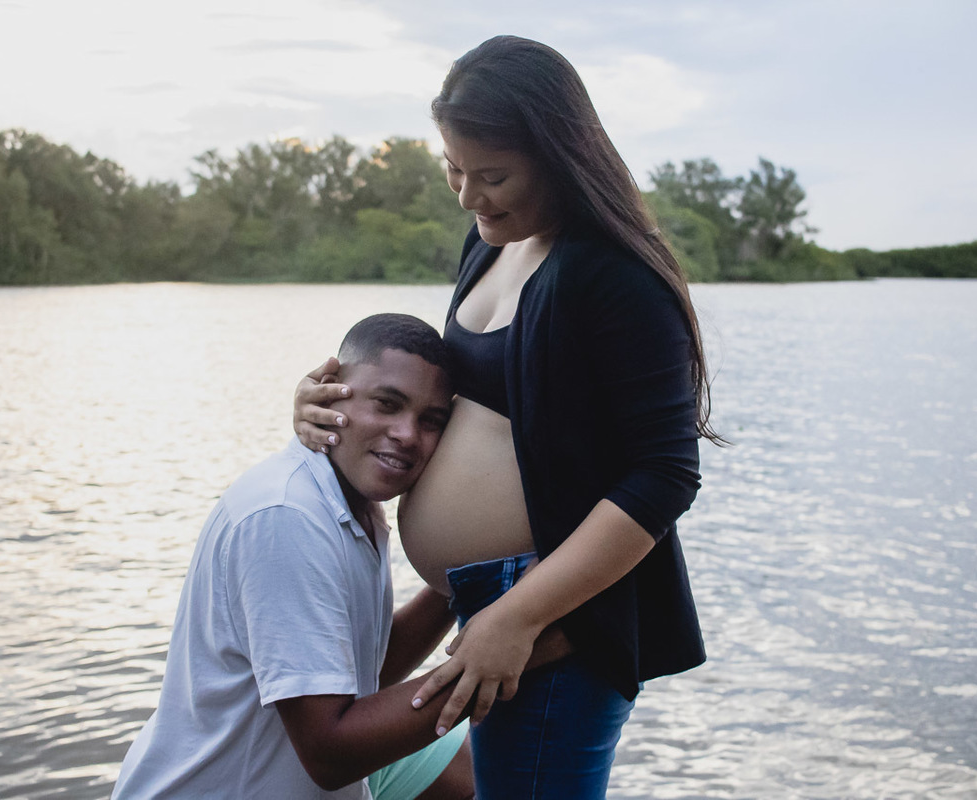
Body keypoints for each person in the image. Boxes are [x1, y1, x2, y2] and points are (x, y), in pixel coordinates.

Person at [294, 36, 722, 799]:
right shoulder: (491, 244)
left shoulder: (614, 275)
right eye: (453, 170)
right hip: (490, 610)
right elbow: (446, 395)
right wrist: (329, 400)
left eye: (492, 176)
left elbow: (664, 475)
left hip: (554, 626)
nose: (467, 196)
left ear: (560, 156)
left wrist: (516, 617)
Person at [114, 314, 476, 800]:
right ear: (330, 391)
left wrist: (470, 578)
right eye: (387, 404)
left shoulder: (354, 502)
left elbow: (360, 673)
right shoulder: (287, 517)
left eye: (430, 421)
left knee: (476, 773)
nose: (407, 434)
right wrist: (491, 663)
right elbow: (330, 754)